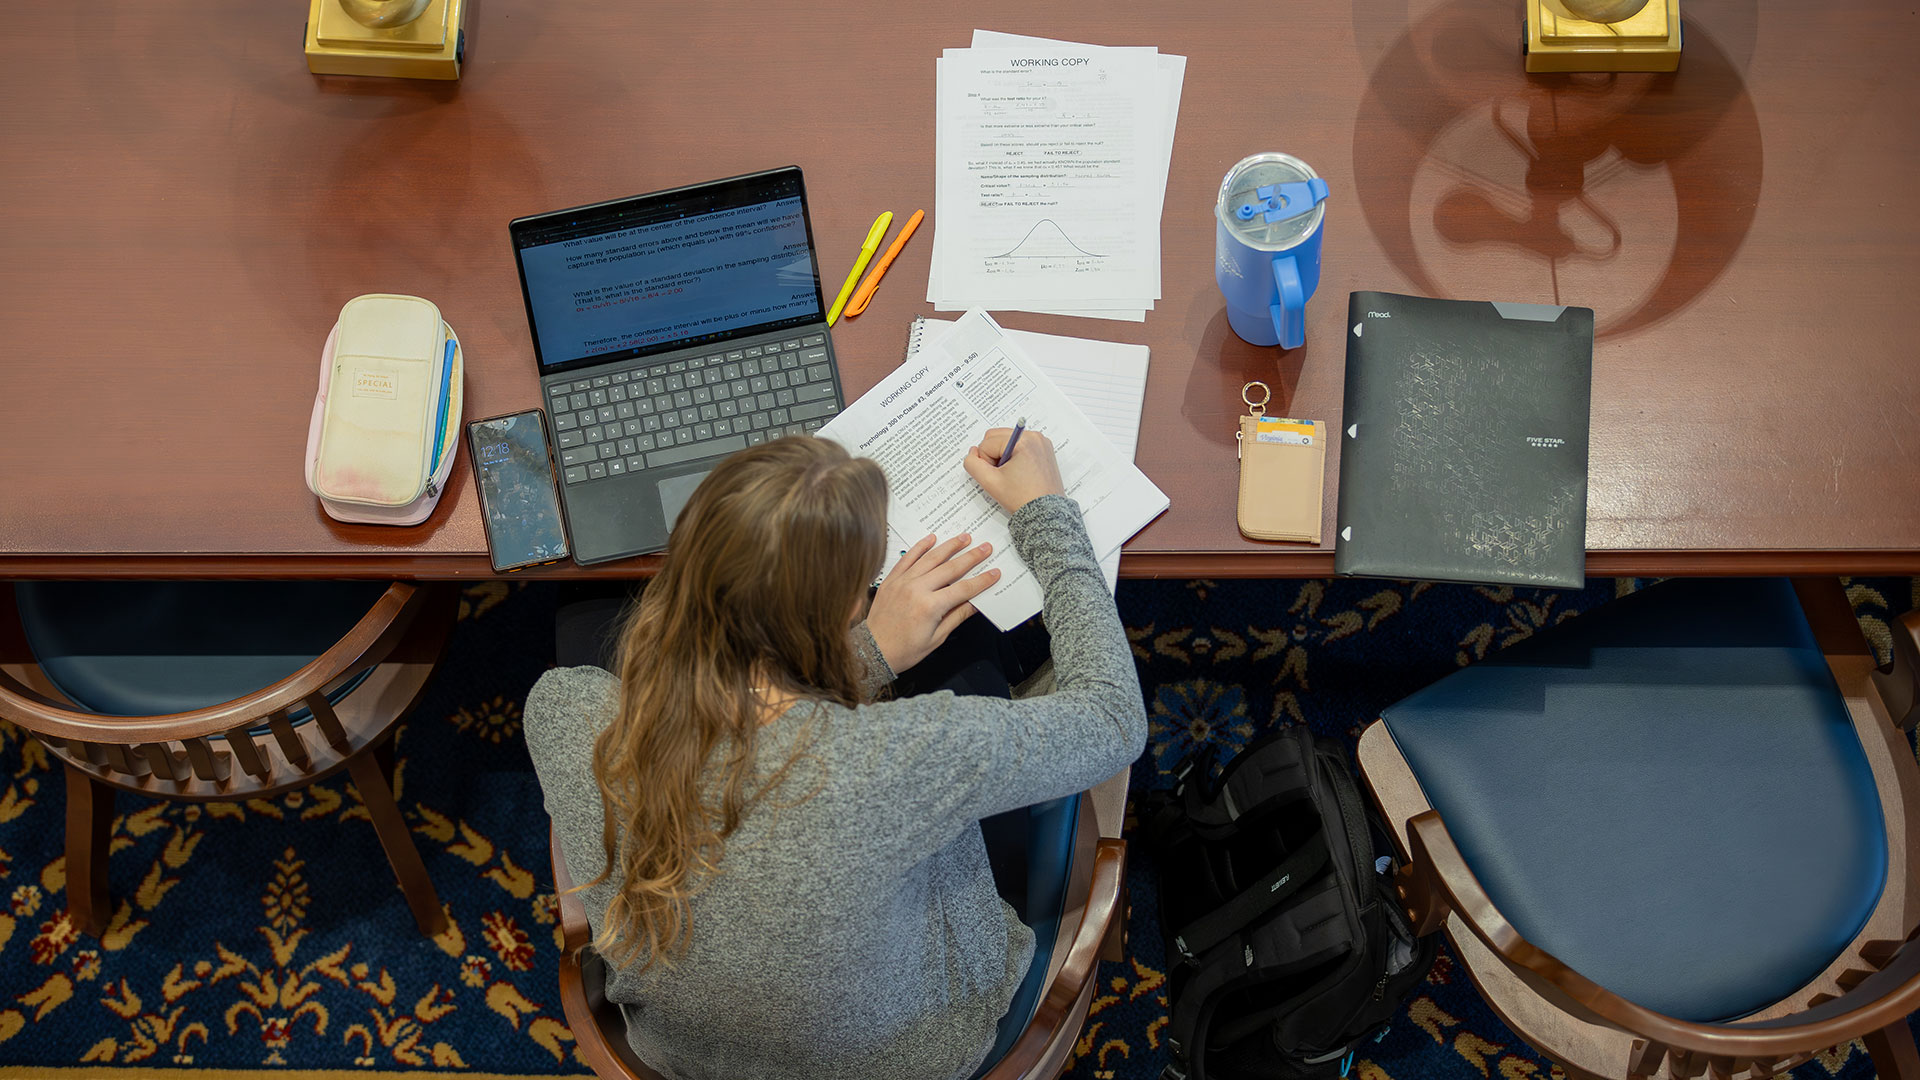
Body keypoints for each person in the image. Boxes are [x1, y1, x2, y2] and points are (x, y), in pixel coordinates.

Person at [523, 429, 1146, 1080]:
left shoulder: (566, 713)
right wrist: (1044, 509)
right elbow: (1113, 717)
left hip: (683, 1058)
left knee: (578, 622)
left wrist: (868, 655)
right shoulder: (905, 756)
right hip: (921, 1055)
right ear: (850, 608)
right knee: (973, 671)